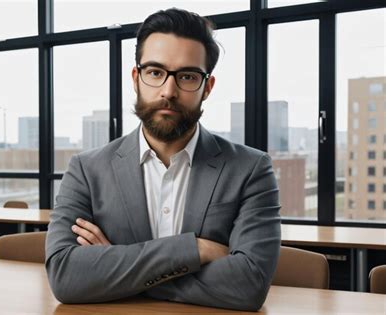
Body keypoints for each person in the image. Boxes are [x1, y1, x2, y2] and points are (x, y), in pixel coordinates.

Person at [46, 8, 281, 311]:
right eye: (155, 72)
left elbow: (249, 286)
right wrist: (194, 250)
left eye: (187, 76)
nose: (168, 91)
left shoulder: (250, 169)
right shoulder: (86, 170)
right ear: (136, 78)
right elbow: (66, 276)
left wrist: (118, 269)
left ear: (207, 87)